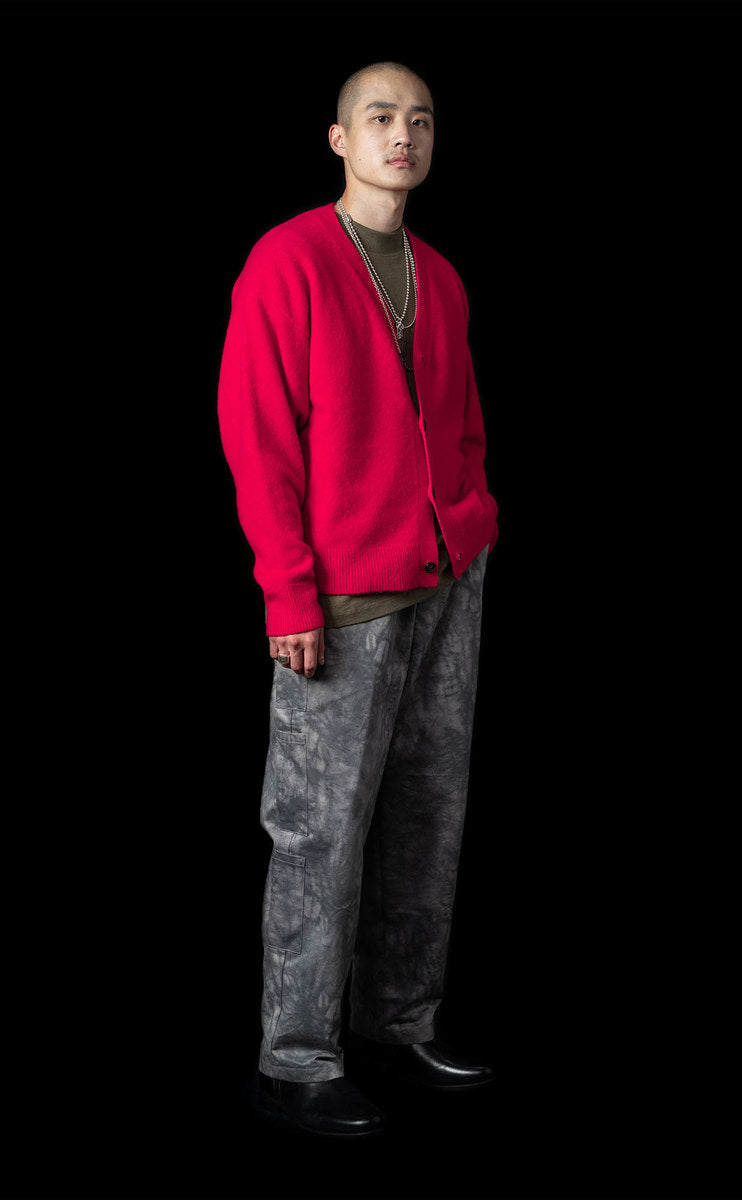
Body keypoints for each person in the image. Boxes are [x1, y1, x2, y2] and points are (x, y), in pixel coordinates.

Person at [217, 61, 498, 1137]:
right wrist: (287, 591)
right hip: (340, 593)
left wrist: (470, 518)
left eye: (418, 119)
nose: (401, 135)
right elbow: (257, 436)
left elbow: (461, 422)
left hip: (446, 579)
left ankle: (398, 1024)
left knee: (429, 813)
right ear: (339, 139)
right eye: (380, 117)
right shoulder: (287, 260)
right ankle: (295, 1060)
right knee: (319, 830)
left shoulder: (440, 274)